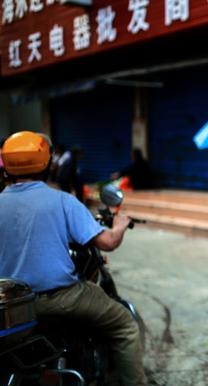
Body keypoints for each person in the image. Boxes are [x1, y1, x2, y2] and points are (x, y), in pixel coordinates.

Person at [0, 131, 147, 386]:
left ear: (6, 169)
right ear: (47, 164)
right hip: (62, 298)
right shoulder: (63, 201)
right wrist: (120, 224)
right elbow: (108, 242)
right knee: (125, 326)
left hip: (13, 309)